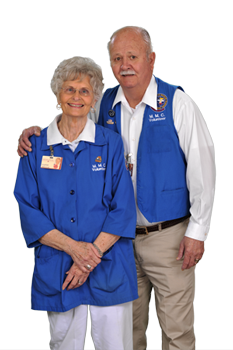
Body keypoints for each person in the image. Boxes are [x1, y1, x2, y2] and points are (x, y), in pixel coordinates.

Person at [17, 27, 216, 350]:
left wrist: (198, 230)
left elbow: (202, 168)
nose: (125, 65)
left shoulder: (177, 103)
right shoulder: (106, 102)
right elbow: (72, 127)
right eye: (117, 58)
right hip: (118, 247)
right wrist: (33, 135)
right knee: (129, 335)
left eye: (133, 57)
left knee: (177, 331)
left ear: (151, 59)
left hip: (166, 238)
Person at [14, 56, 138, 350]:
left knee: (115, 345)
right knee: (63, 345)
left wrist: (89, 257)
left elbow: (122, 208)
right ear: (58, 96)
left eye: (84, 91)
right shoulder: (35, 147)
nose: (76, 97)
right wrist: (74, 251)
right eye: (69, 89)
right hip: (59, 268)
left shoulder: (110, 143)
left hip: (107, 266)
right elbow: (29, 211)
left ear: (94, 98)